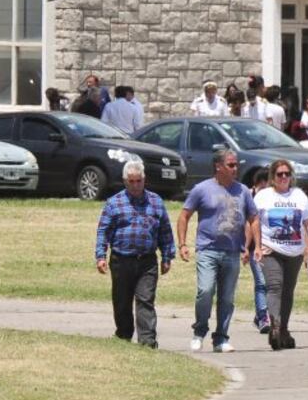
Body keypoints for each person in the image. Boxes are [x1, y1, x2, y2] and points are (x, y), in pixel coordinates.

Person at [177, 148, 261, 353]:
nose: (235, 168)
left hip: (232, 252)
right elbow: (184, 216)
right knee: (205, 291)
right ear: (218, 166)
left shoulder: (243, 191)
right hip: (208, 249)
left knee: (227, 298)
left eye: (236, 165)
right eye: (231, 165)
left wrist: (256, 246)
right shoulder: (201, 189)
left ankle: (221, 338)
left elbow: (254, 219)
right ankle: (199, 331)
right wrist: (182, 244)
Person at [95, 161, 175, 349]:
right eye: (131, 181)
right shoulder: (114, 203)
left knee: (145, 300)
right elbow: (103, 231)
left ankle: (147, 341)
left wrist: (167, 256)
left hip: (147, 261)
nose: (135, 185)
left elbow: (165, 231)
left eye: (139, 181)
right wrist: (100, 256)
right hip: (121, 260)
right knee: (122, 300)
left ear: (144, 180)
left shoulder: (155, 202)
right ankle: (123, 335)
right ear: (125, 181)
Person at [254, 159, 308, 350]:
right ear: (272, 177)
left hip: (294, 251)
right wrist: (254, 246)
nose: (283, 177)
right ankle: (274, 325)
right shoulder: (263, 196)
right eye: (279, 174)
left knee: (288, 291)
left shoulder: (299, 195)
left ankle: (283, 329)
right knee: (275, 286)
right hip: (270, 249)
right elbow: (253, 221)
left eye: (287, 174)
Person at [247, 168, 271, 335]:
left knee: (272, 284)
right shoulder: (248, 198)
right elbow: (245, 224)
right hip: (253, 248)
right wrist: (244, 247)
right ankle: (263, 317)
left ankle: (259, 316)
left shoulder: (273, 199)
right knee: (261, 282)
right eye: (262, 187)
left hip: (271, 248)